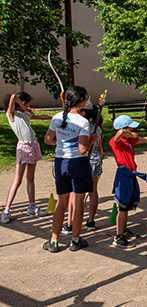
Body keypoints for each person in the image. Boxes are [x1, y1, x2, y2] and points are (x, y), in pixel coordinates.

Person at [43, 86, 97, 253]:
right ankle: (75, 240)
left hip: (61, 163)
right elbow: (82, 149)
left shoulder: (57, 117)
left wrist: (61, 145)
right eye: (85, 98)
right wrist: (92, 140)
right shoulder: (83, 122)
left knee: (61, 203)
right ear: (80, 101)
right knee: (78, 204)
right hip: (78, 164)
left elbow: (47, 139)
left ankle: (54, 241)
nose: (87, 101)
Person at [110, 115, 147, 248]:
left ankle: (123, 231)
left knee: (127, 206)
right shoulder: (115, 142)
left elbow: (145, 139)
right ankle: (118, 237)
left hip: (130, 176)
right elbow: (119, 133)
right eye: (130, 127)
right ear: (124, 128)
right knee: (122, 208)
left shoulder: (130, 141)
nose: (134, 129)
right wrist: (130, 134)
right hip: (123, 176)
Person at [1, 92, 53, 224]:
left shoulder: (25, 114)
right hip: (23, 147)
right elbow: (12, 96)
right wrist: (23, 107)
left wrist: (56, 116)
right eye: (28, 103)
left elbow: (41, 117)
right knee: (17, 180)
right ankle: (6, 210)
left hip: (33, 145)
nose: (30, 106)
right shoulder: (11, 114)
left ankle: (32, 207)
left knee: (30, 178)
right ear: (23, 103)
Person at [60, 100, 104, 233]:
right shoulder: (97, 128)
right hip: (95, 161)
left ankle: (70, 224)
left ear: (83, 113)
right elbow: (100, 148)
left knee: (74, 193)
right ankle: (91, 221)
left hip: (82, 162)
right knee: (93, 191)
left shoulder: (80, 126)